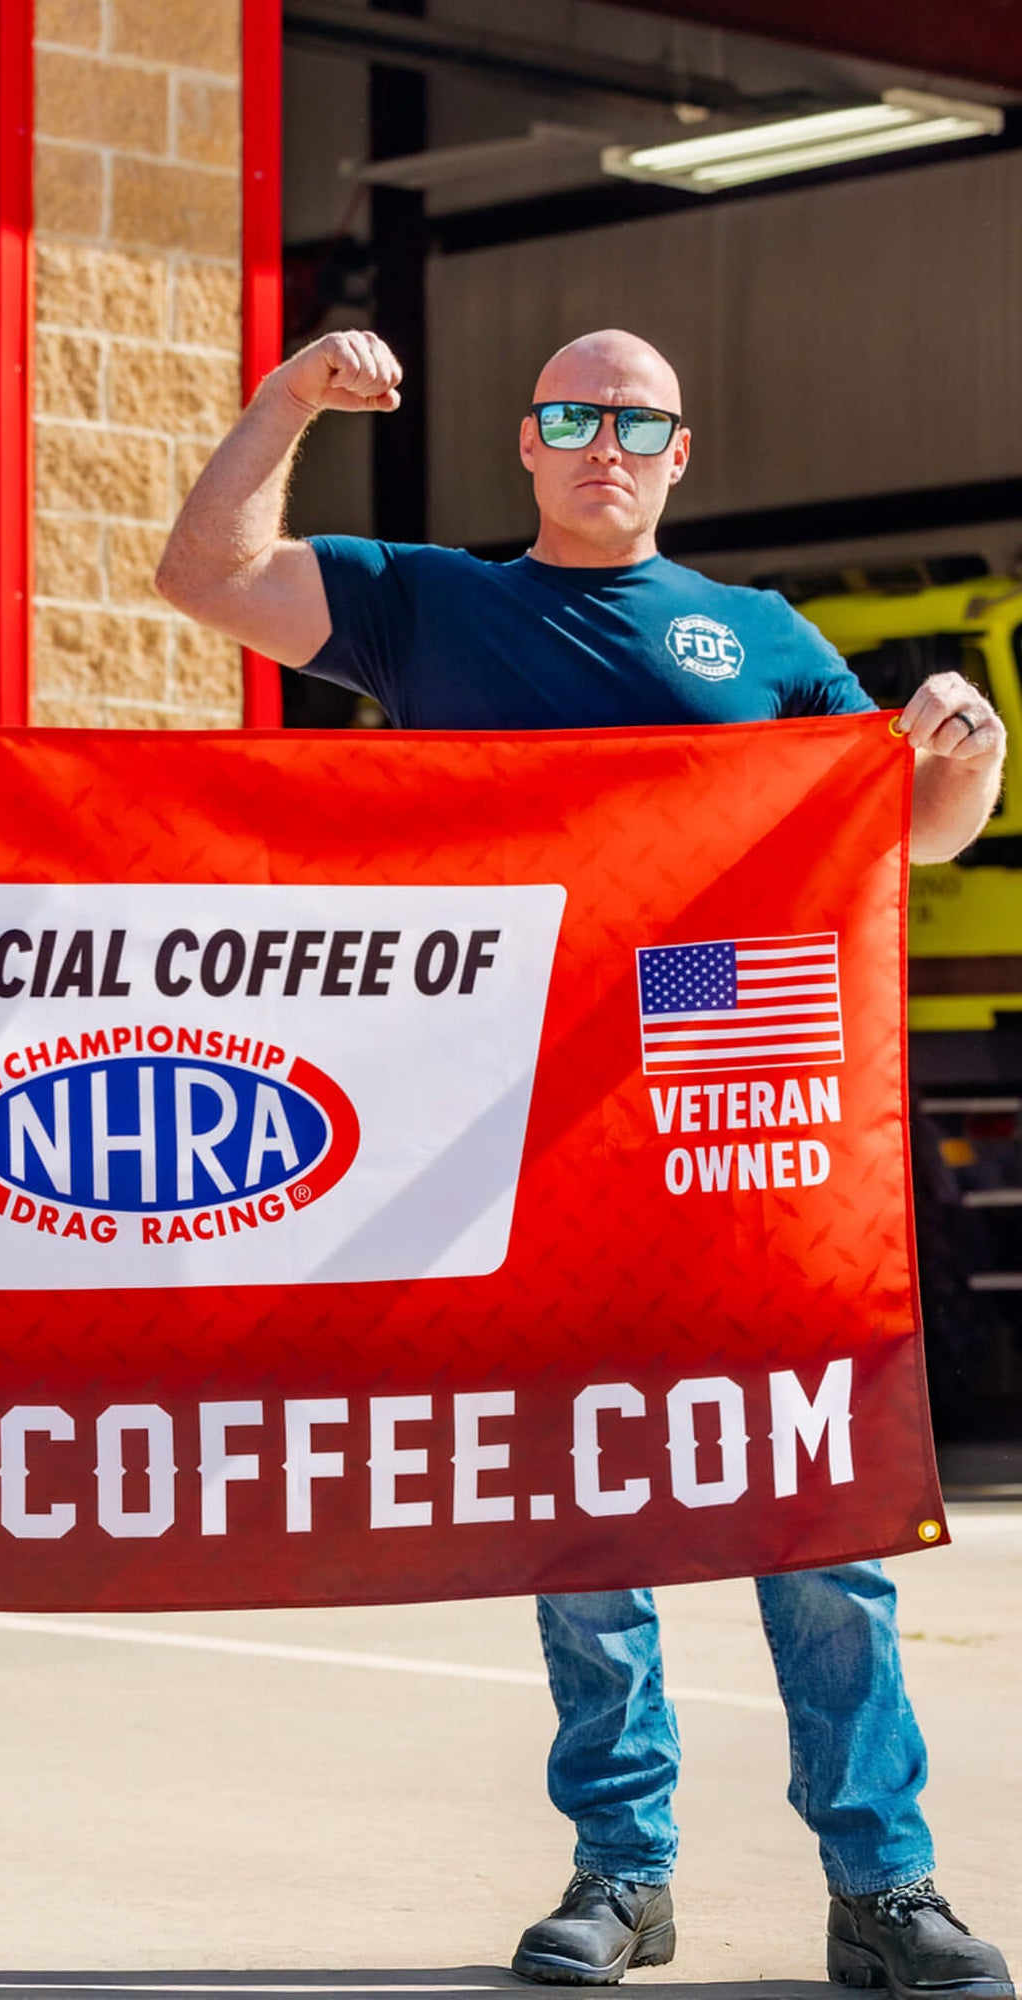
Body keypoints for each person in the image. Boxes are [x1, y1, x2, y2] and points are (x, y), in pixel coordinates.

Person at [155, 324, 1012, 2000]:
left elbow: (908, 824)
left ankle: (883, 1887)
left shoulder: (762, 641)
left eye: (634, 421)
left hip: (734, 1102)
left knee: (815, 1513)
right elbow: (205, 571)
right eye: (569, 417)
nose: (601, 442)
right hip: (520, 1115)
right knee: (589, 1519)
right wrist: (287, 403)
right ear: (526, 448)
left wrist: (967, 748)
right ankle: (624, 1874)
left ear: (680, 454)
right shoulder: (429, 604)